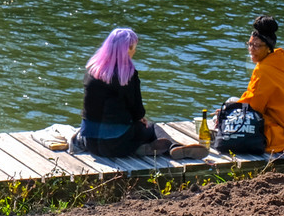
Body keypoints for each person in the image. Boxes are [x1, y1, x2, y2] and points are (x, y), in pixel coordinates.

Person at [80, 28, 201, 159]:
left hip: (90, 143)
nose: (135, 51)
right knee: (152, 127)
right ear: (126, 50)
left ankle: (141, 148)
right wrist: (139, 119)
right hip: (116, 146)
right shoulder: (127, 75)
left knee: (127, 127)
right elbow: (138, 111)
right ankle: (173, 146)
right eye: (133, 48)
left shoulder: (92, 71)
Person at [237, 15, 284, 153]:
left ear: (268, 48)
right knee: (232, 105)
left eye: (257, 45)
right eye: (250, 44)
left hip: (279, 134)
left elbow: (254, 106)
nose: (251, 49)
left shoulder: (264, 70)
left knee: (230, 116)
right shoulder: (275, 63)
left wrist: (232, 110)